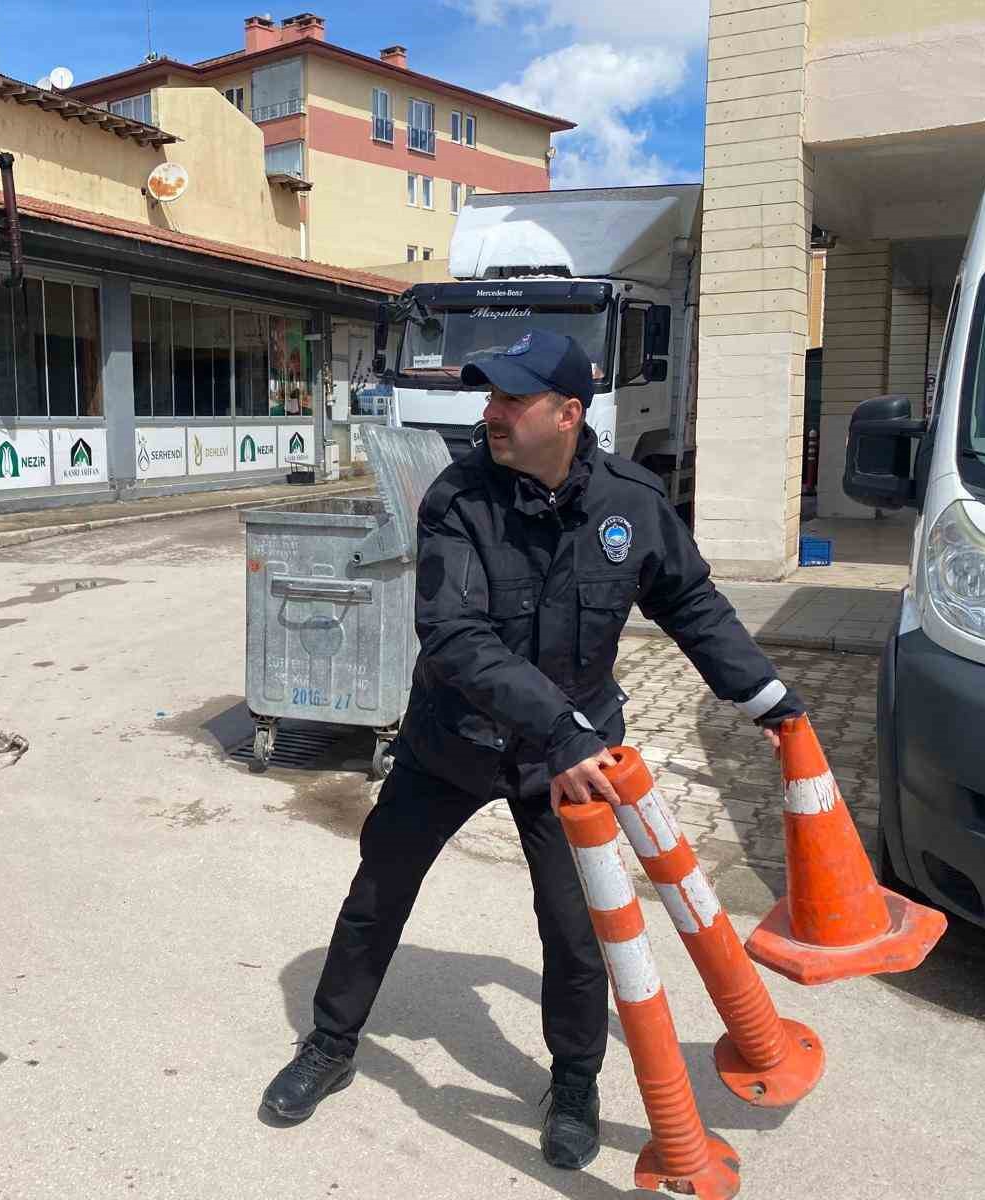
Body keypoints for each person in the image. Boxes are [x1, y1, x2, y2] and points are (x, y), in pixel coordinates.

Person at [260, 329, 805, 1169]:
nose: (493, 413)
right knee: (379, 891)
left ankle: (575, 1081)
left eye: (513, 399)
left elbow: (692, 604)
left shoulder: (631, 502)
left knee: (575, 926)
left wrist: (766, 698)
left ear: (568, 413)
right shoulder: (458, 499)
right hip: (457, 740)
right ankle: (331, 1044)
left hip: (567, 761)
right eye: (491, 397)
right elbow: (454, 636)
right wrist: (562, 727)